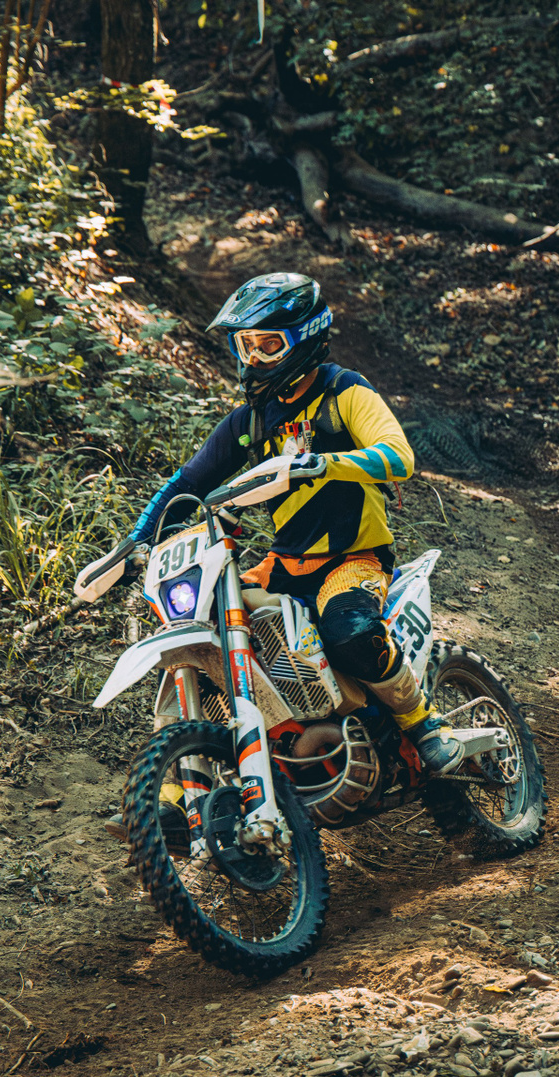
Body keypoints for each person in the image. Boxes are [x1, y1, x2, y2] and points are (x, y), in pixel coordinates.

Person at [129, 272, 462, 774]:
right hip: (285, 564)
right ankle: (179, 784)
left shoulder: (344, 391)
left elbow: (399, 457)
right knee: (196, 635)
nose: (254, 359)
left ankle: (422, 722)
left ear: (305, 338)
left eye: (269, 345)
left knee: (349, 630)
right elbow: (186, 483)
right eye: (246, 345)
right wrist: (134, 542)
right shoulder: (250, 420)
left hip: (354, 558)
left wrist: (320, 464)